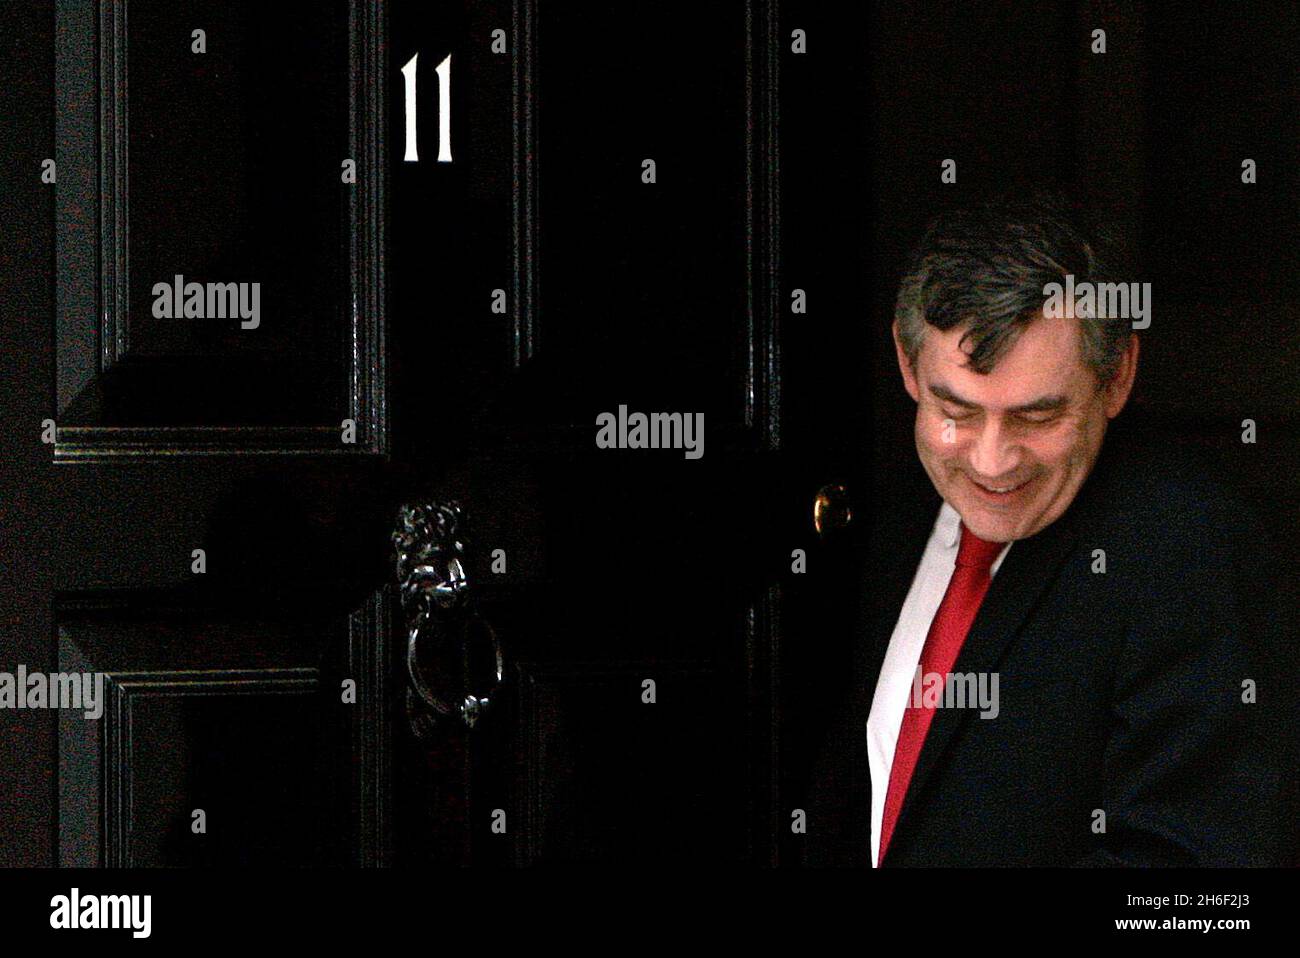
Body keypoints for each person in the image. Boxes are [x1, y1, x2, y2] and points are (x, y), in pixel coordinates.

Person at [803, 192, 1297, 866]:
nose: (991, 462)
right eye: (957, 410)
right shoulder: (901, 512)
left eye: (1037, 417)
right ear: (907, 363)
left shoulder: (1191, 548)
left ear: (1117, 375)